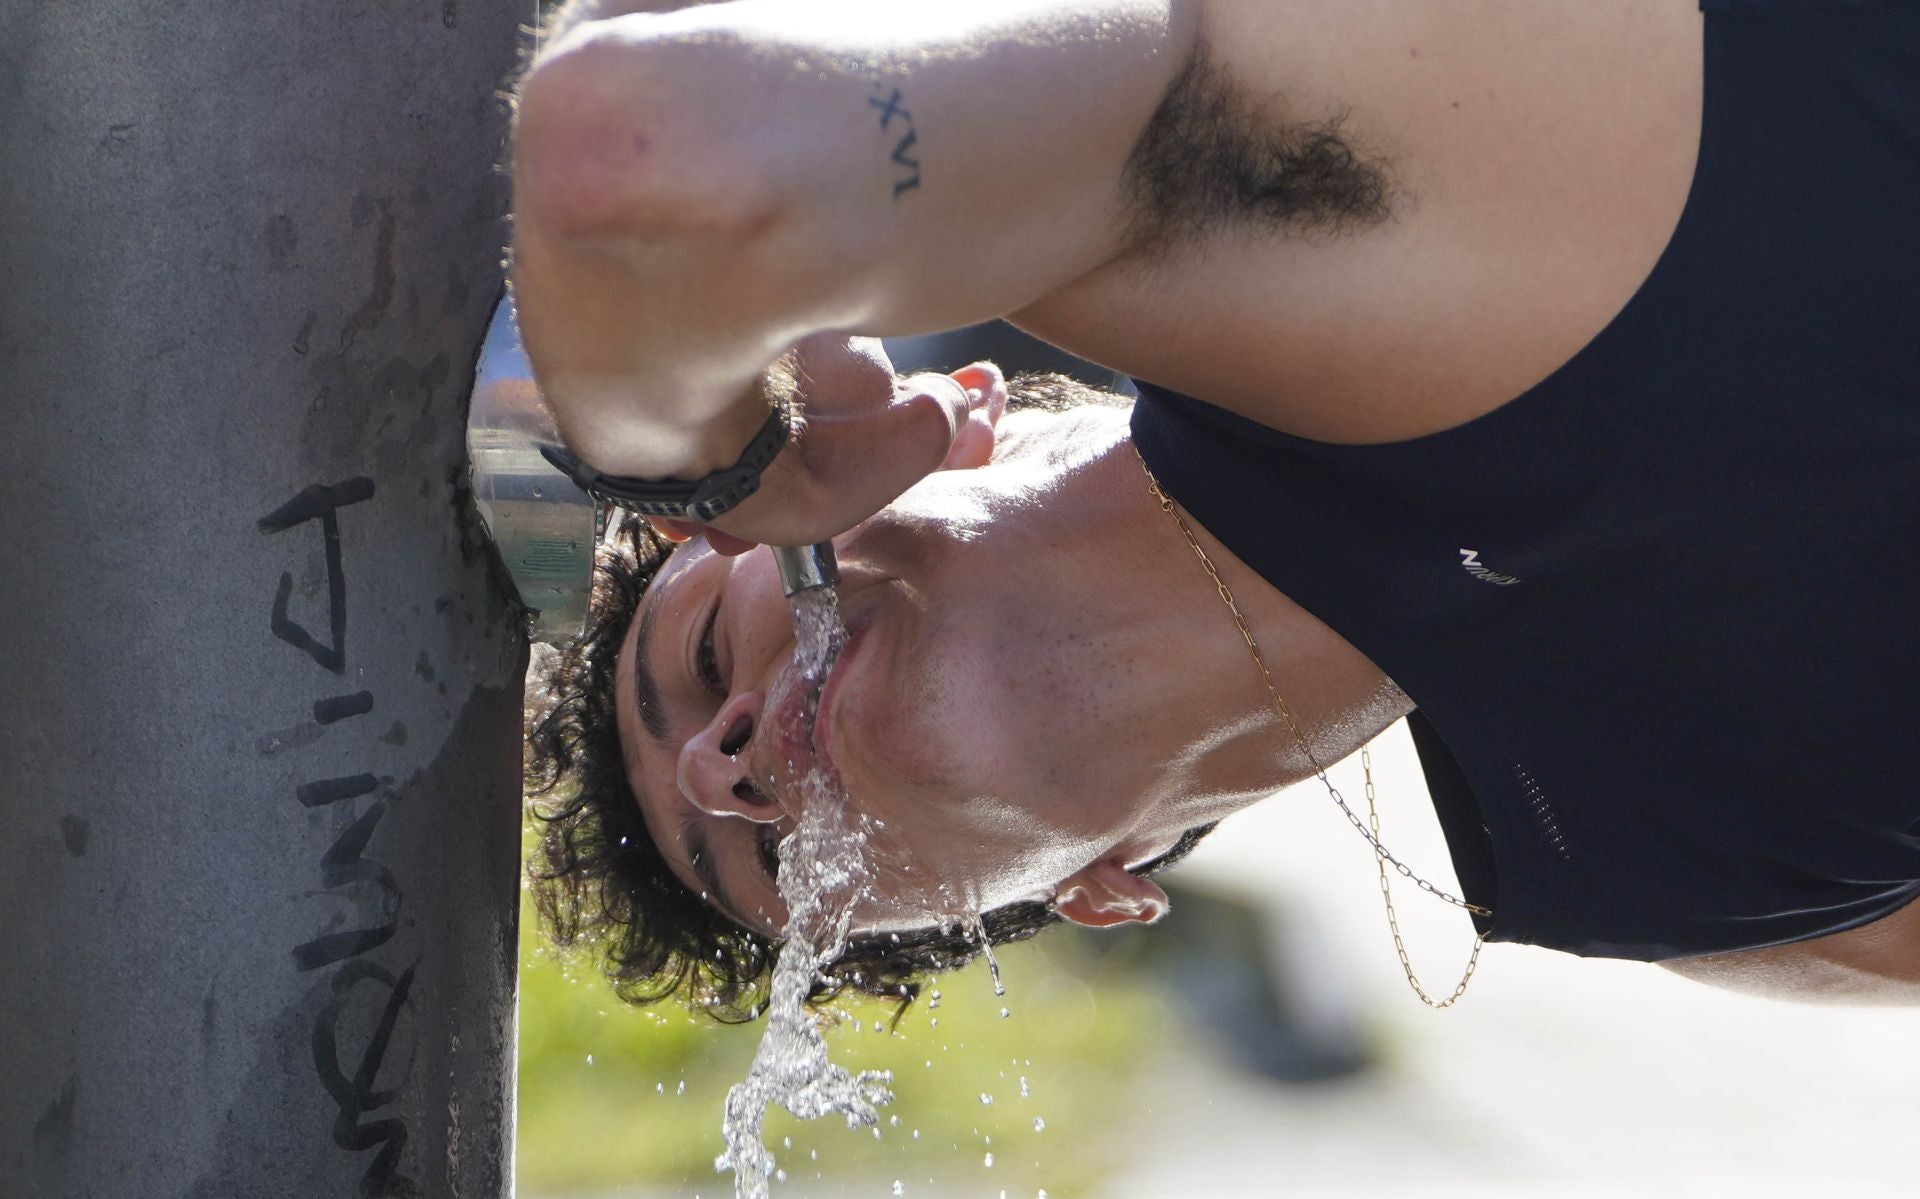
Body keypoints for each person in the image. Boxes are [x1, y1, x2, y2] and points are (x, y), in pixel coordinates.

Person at [512, 0, 1920, 1014]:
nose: (724, 766)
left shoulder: (1194, 202)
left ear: (968, 426)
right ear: (1086, 895)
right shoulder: (1718, 880)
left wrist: (730, 460)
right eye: (758, 856)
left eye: (702, 657)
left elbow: (628, 143)